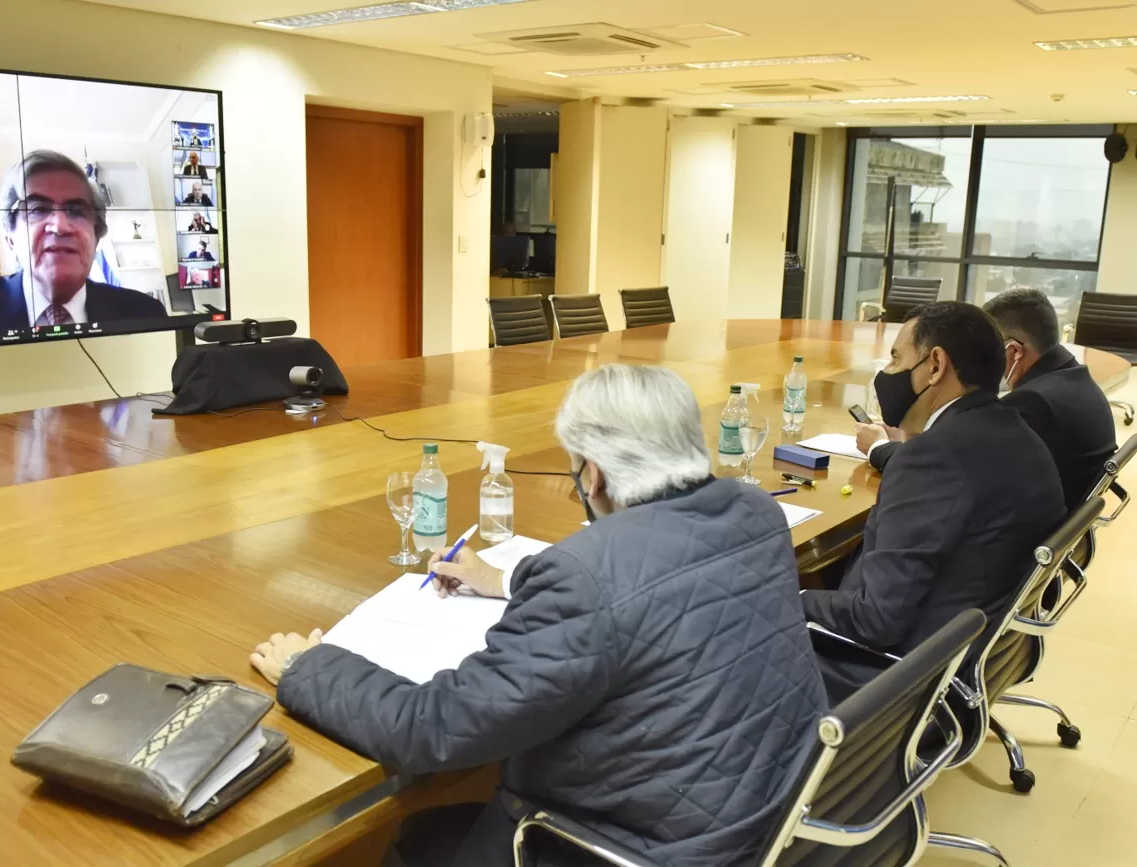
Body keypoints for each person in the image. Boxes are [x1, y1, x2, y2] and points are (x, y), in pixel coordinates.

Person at [250, 365, 827, 867]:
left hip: (631, 847)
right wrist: (498, 578)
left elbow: (434, 727)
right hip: (759, 814)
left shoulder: (587, 578)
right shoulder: (755, 510)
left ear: (593, 474)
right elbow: (648, 576)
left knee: (417, 839)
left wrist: (308, 667)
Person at [806, 301, 1065, 698]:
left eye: (896, 358)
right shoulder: (1020, 434)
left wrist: (797, 596)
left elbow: (875, 620)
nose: (887, 372)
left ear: (936, 365)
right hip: (974, 657)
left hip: (898, 684)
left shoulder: (932, 458)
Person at [858, 290, 1116, 513]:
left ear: (1014, 352)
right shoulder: (1076, 381)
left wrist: (879, 447)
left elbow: (950, 473)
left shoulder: (1033, 403)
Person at [0, 151, 165, 334]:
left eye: (78, 211)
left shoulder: (145, 315)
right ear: (10, 236)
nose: (60, 225)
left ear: (96, 234)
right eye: (37, 209)